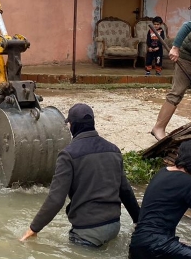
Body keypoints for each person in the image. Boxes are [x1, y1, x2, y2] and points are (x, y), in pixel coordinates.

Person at [20, 103, 141, 247]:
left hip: (88, 232)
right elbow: (125, 191)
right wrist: (139, 221)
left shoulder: (67, 155)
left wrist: (34, 228)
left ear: (72, 126)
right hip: (114, 226)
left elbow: (56, 199)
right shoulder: (113, 150)